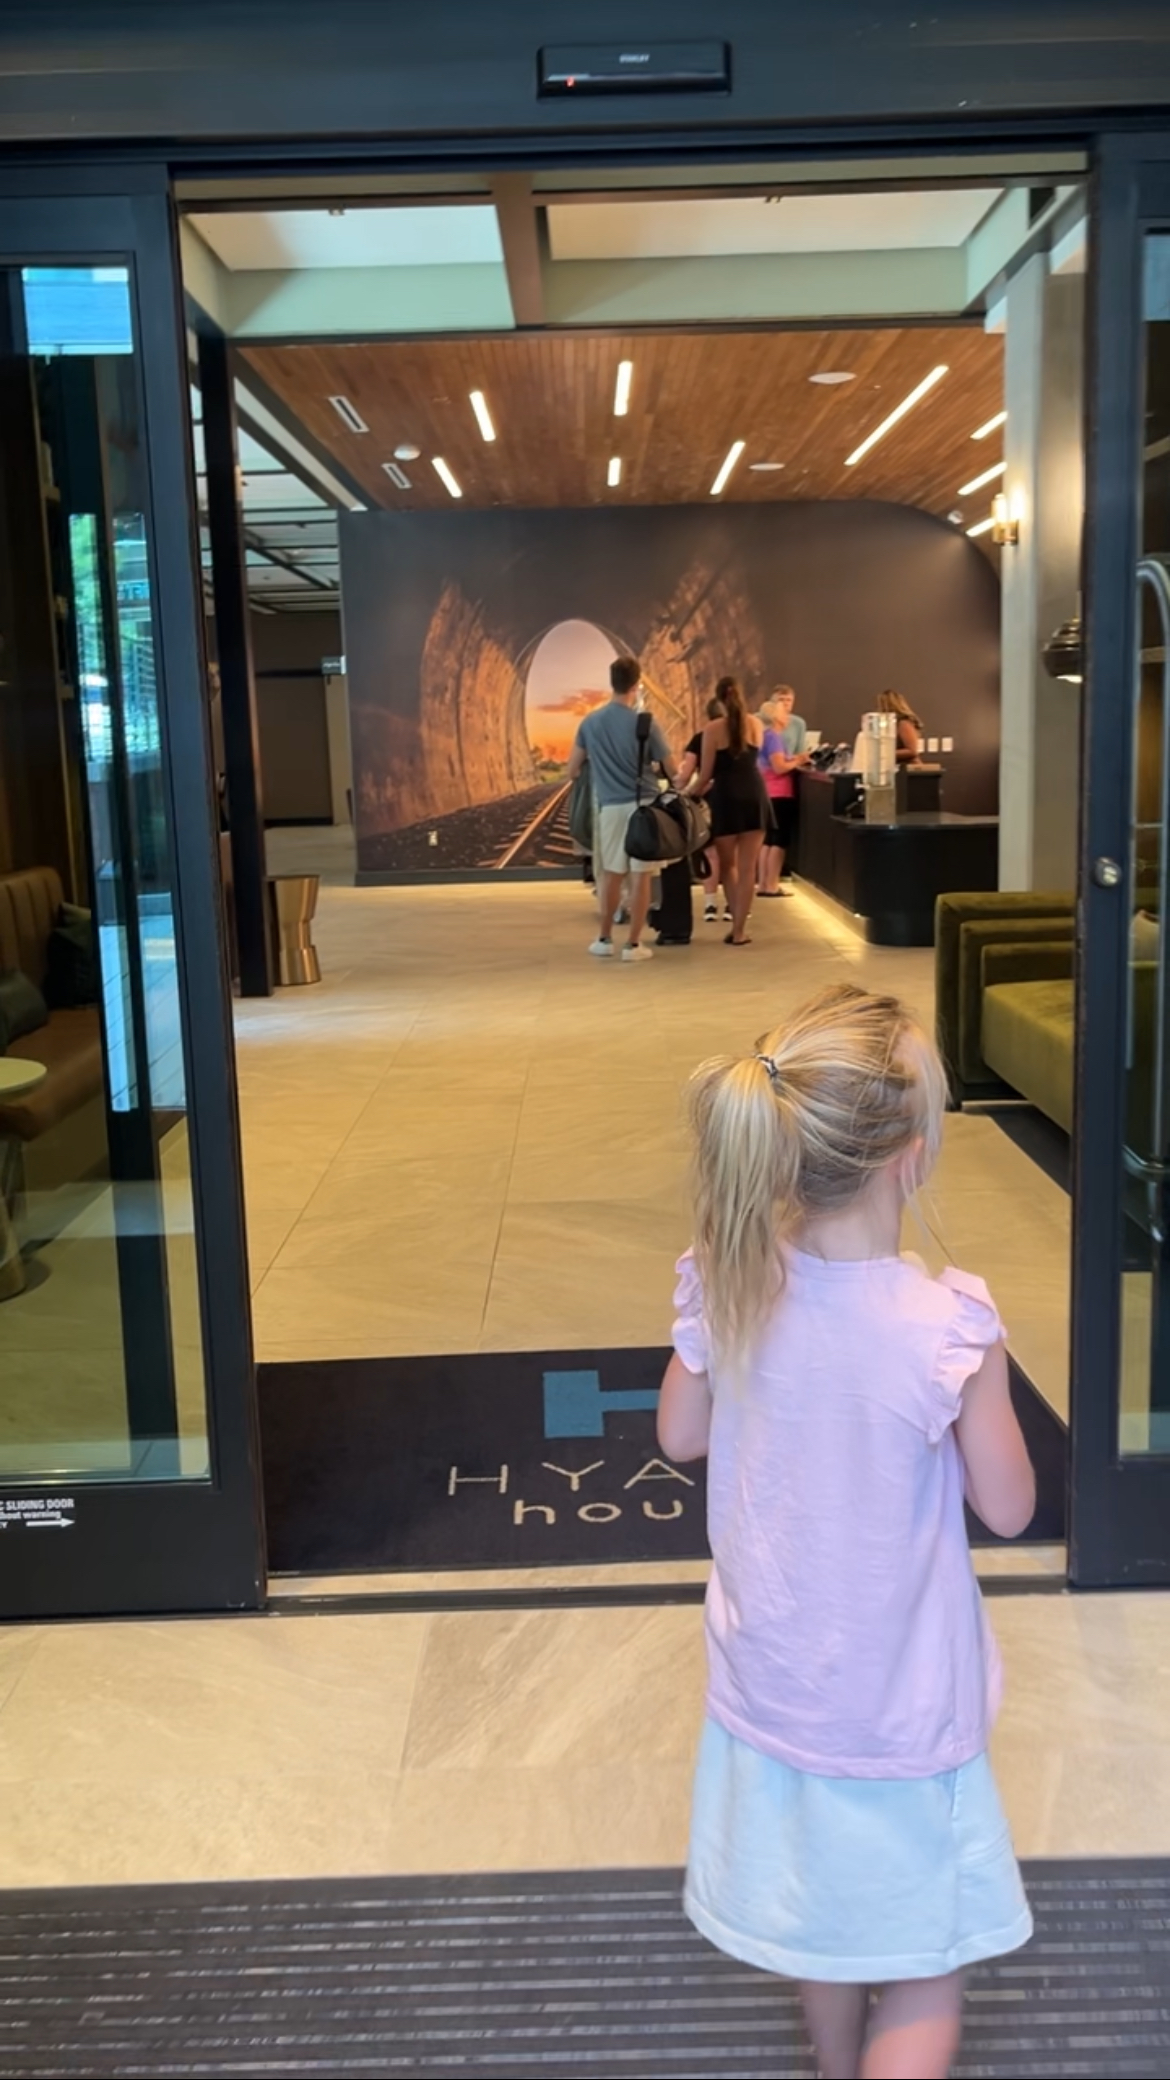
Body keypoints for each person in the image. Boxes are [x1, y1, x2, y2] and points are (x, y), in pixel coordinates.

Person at [659, 984, 1035, 2080]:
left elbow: (680, 1435)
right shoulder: (948, 1327)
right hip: (901, 1703)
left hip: (775, 1683)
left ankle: (832, 2063)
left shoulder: (729, 1282)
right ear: (911, 1156)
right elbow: (1009, 1506)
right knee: (924, 1956)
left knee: (821, 1909)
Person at [568, 654, 673, 963]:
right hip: (645, 809)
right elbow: (671, 767)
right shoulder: (646, 723)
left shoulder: (591, 722)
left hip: (610, 807)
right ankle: (633, 945)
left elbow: (572, 769)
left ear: (611, 682)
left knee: (611, 874)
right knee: (641, 877)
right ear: (637, 684)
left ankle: (603, 939)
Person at [698, 675, 766, 947]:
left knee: (729, 865)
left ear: (718, 699)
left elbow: (705, 775)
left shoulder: (713, 729)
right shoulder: (756, 725)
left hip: (726, 798)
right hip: (754, 795)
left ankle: (736, 927)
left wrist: (688, 793)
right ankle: (740, 930)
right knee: (749, 869)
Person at [757, 685, 810, 897]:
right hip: (779, 792)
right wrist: (798, 760)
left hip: (768, 792)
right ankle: (771, 885)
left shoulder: (766, 736)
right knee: (778, 842)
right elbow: (778, 767)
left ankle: (763, 883)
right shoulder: (774, 738)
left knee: (767, 841)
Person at [676, 696, 725, 925]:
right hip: (738, 800)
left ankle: (710, 903)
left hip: (708, 802)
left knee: (711, 853)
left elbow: (686, 774)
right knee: (735, 856)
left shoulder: (700, 738)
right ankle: (735, 907)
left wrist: (680, 789)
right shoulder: (743, 736)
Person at [879, 688, 925, 764]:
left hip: (909, 770)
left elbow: (912, 751)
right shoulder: (891, 725)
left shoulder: (903, 723)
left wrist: (885, 754)